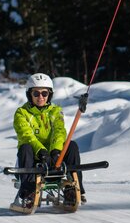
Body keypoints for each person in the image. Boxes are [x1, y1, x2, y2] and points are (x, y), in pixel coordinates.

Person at [12, 73, 85, 209]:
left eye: (44, 93)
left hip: (53, 157)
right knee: (25, 147)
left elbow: (59, 132)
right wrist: (42, 152)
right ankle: (28, 192)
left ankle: (73, 189)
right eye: (36, 93)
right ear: (30, 94)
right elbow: (26, 135)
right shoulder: (21, 113)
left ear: (49, 95)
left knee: (72, 146)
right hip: (32, 157)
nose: (41, 97)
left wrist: (56, 151)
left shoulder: (56, 111)